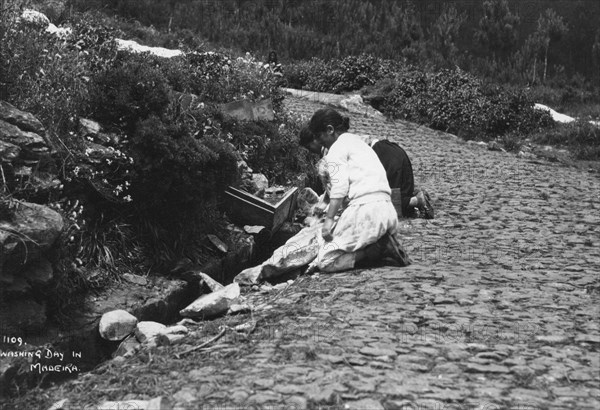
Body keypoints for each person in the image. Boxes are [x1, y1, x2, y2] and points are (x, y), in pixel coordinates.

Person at [304, 107, 410, 273]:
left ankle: (379, 249)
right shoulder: (359, 142)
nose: (319, 142)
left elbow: (339, 187)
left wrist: (329, 220)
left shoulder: (336, 149)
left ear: (330, 130)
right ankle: (380, 244)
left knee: (325, 261)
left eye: (319, 136)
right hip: (387, 211)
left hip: (366, 211)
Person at [299, 126, 434, 219]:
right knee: (395, 202)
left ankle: (417, 200)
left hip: (384, 157)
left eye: (309, 146)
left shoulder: (331, 151)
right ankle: (415, 197)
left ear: (316, 139)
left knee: (389, 207)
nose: (311, 151)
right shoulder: (337, 140)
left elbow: (338, 186)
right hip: (393, 151)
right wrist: (323, 204)